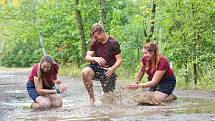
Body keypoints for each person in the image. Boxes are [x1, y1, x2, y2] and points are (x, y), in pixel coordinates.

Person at [82, 23, 122, 106]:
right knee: (85, 72)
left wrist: (113, 69)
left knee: (108, 101)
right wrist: (95, 58)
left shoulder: (113, 42)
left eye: (96, 37)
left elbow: (119, 60)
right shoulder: (95, 42)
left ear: (101, 32)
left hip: (108, 70)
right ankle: (92, 97)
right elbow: (87, 57)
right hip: (96, 67)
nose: (95, 39)